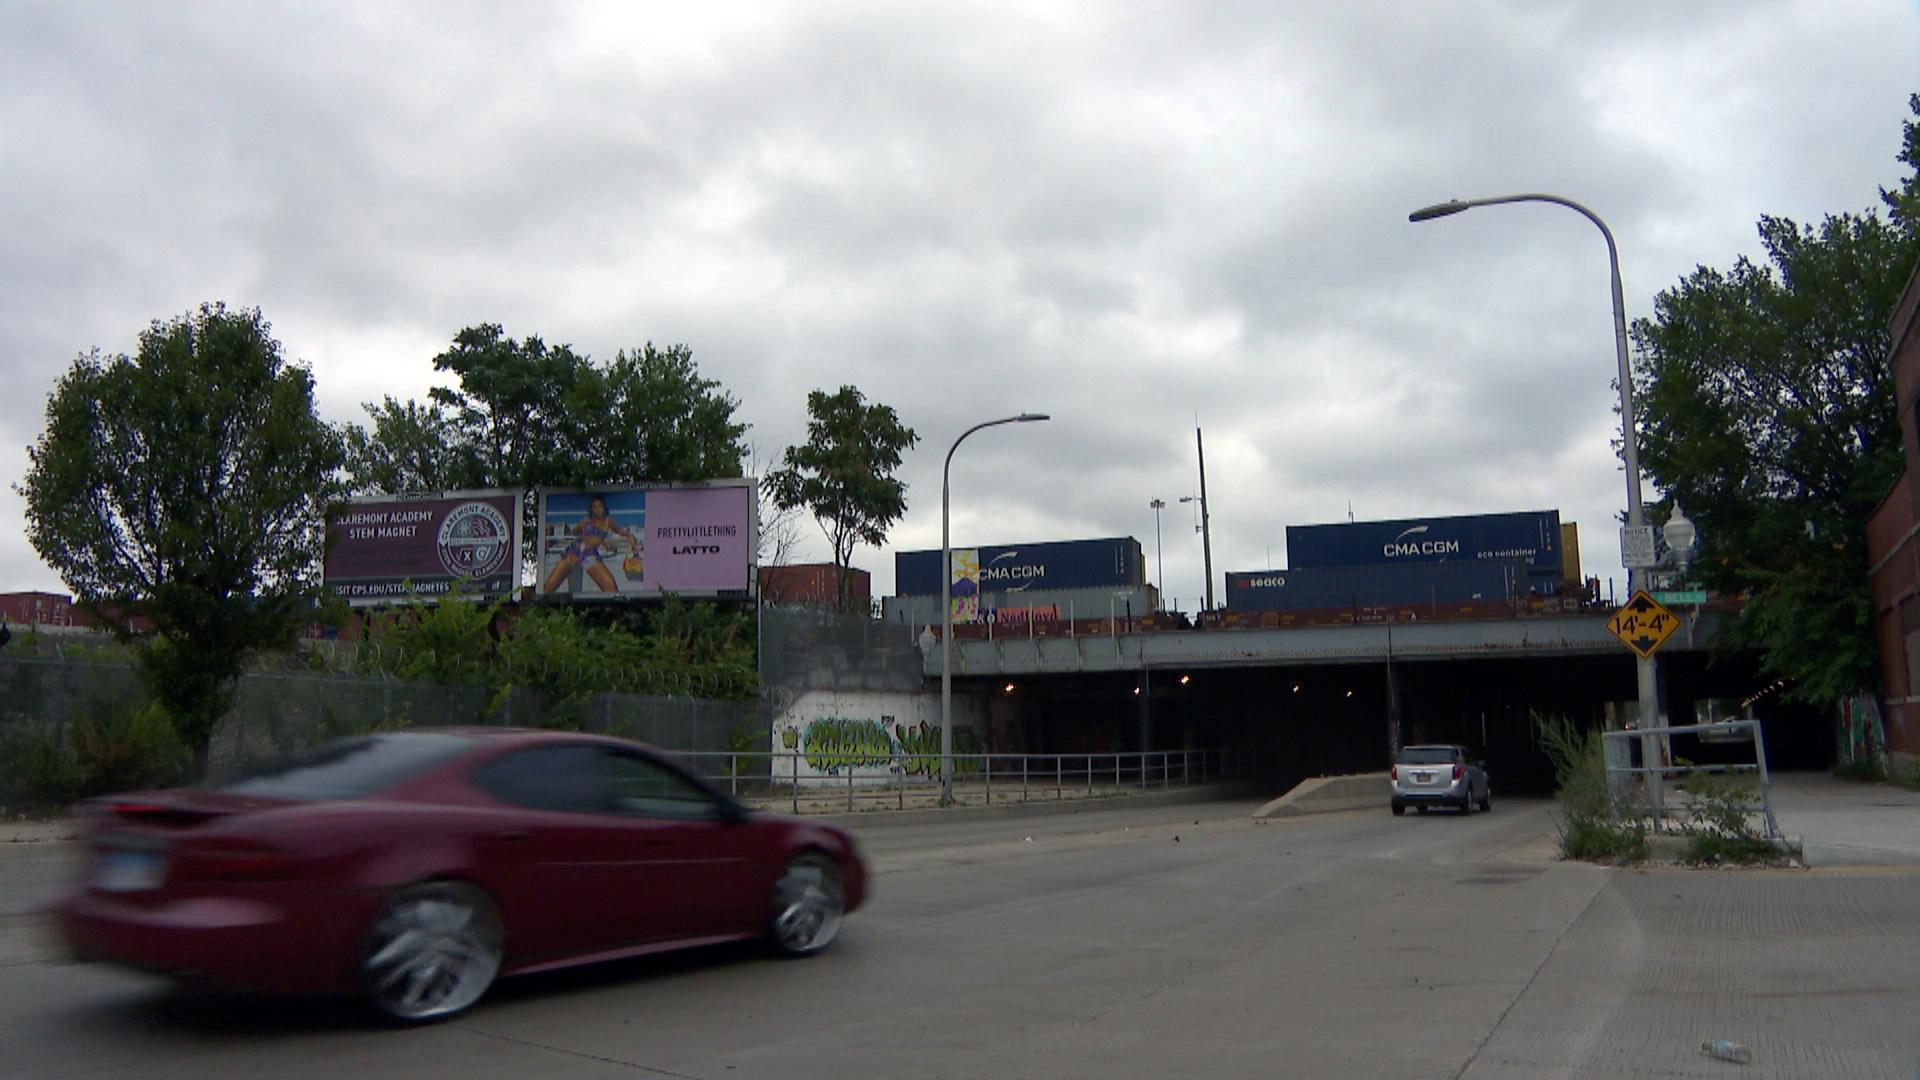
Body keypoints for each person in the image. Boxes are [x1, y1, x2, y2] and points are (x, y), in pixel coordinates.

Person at [540, 495, 640, 594]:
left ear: (604, 507)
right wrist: (579, 525)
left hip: (589, 554)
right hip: (575, 551)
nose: (598, 509)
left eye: (600, 506)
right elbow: (574, 533)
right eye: (595, 507)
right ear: (591, 509)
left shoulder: (607, 521)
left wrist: (629, 536)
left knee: (611, 589)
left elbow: (619, 530)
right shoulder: (587, 520)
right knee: (547, 589)